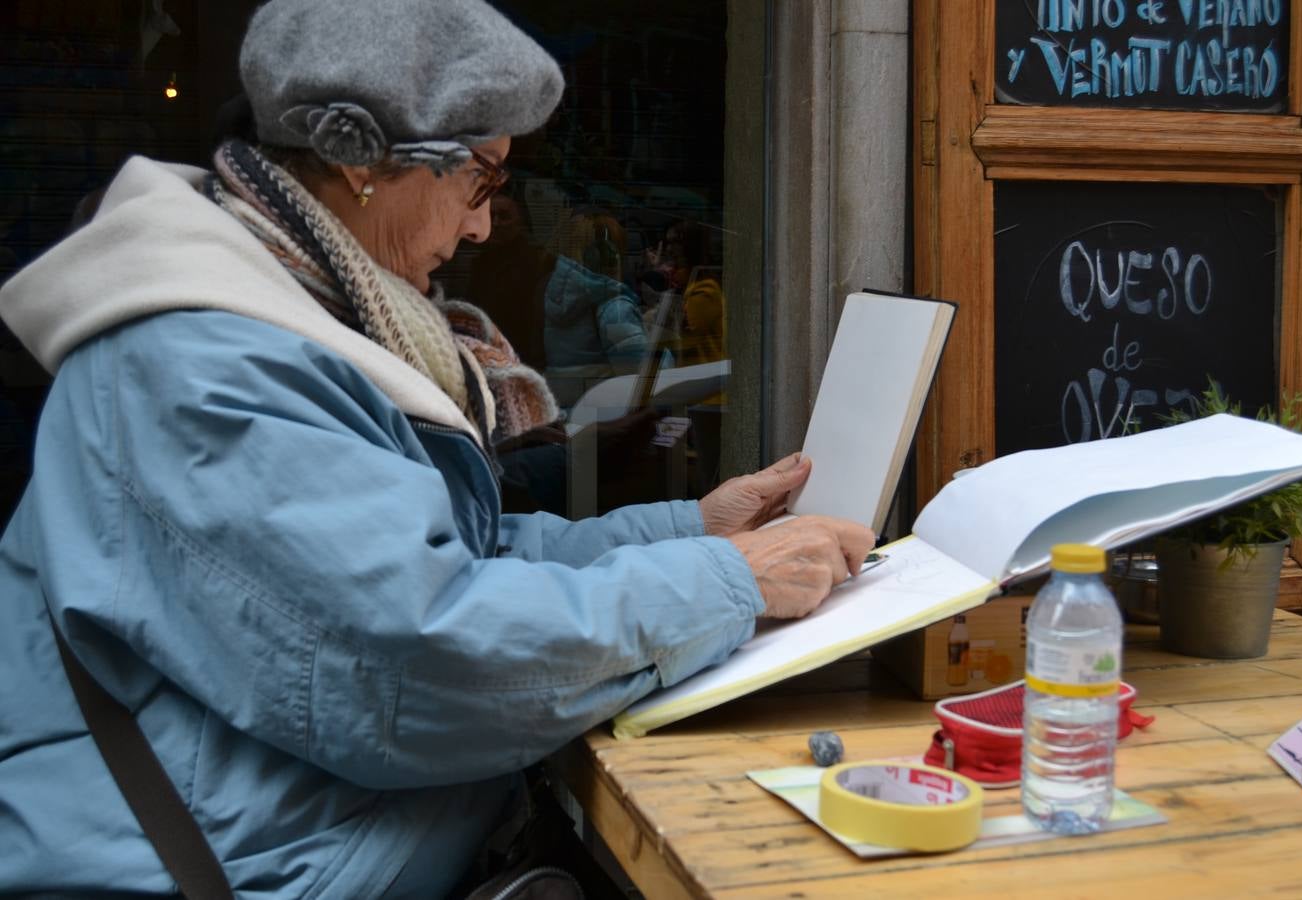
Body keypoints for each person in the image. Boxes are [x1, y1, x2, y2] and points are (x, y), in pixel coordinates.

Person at [0, 0, 874, 896]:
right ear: (357, 160)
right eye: (481, 182)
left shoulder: (287, 321)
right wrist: (731, 580)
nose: (483, 227)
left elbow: (443, 558)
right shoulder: (206, 364)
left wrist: (694, 529)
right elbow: (418, 663)